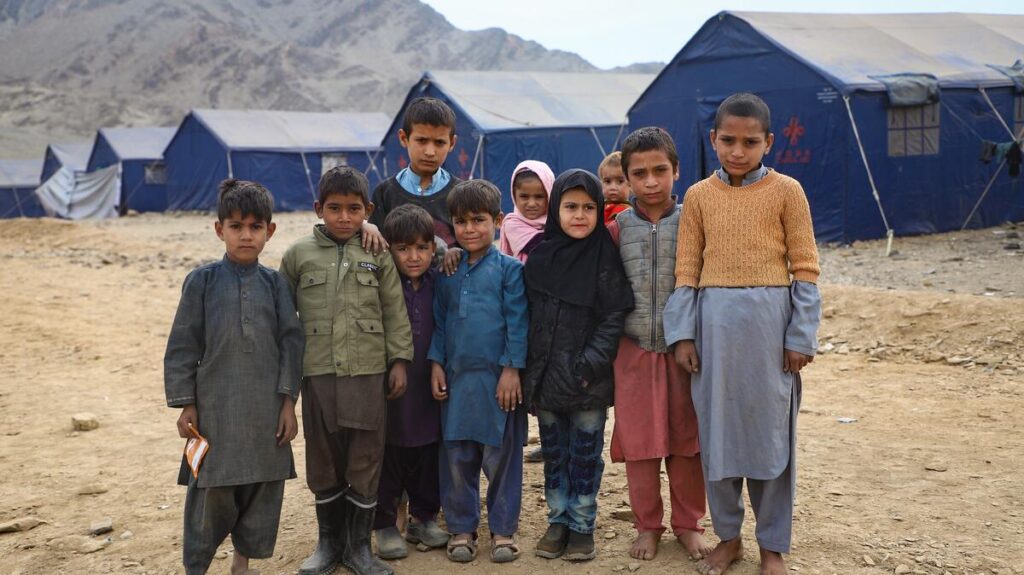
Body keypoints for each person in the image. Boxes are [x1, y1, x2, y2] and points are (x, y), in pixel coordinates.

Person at [665, 93, 821, 575]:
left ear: (768, 143)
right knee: (719, 437)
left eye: (749, 142)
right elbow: (687, 269)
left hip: (770, 332)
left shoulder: (788, 191)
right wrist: (683, 335)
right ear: (713, 139)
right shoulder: (697, 196)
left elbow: (806, 267)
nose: (738, 150)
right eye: (728, 140)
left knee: (773, 437)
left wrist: (800, 335)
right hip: (714, 332)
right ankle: (728, 538)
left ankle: (773, 545)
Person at [164, 179, 303, 575]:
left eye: (255, 227)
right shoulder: (202, 282)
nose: (246, 235)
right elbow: (182, 347)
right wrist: (186, 403)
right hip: (216, 410)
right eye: (237, 226)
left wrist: (287, 402)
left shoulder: (276, 285)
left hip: (265, 411)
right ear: (219, 229)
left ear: (270, 232)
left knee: (262, 488)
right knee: (210, 489)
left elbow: (292, 345)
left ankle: (242, 563)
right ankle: (198, 566)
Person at [280, 166, 414, 575]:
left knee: (366, 457)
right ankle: (328, 544)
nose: (344, 217)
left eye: (354, 209)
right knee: (323, 460)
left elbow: (394, 310)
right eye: (334, 208)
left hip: (368, 373)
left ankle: (359, 548)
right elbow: (285, 321)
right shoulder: (298, 255)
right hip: (318, 375)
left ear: (367, 210)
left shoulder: (378, 252)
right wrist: (286, 385)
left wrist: (399, 362)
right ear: (318, 208)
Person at [606, 127, 711, 562]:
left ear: (677, 171)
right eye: (640, 173)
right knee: (640, 445)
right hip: (632, 351)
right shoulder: (615, 229)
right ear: (626, 178)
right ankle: (647, 525)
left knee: (688, 442)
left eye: (660, 171)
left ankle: (689, 525)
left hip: (684, 350)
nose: (650, 181)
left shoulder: (694, 221)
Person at [522, 169, 634, 561]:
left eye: (589, 207)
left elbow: (614, 316)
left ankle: (582, 524)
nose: (580, 215)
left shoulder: (604, 258)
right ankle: (557, 520)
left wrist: (588, 364)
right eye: (570, 207)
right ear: (556, 210)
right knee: (555, 454)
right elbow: (528, 316)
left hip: (588, 382)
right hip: (547, 380)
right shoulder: (539, 256)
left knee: (585, 454)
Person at [428, 180, 529, 565]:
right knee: (456, 457)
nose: (469, 229)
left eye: (479, 220)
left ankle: (503, 529)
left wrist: (511, 369)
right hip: (456, 383)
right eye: (461, 222)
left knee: (502, 459)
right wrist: (436, 363)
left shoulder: (509, 271)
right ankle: (462, 528)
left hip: (498, 383)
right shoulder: (447, 271)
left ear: (498, 221)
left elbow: (518, 322)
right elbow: (439, 321)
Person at [372, 205, 450, 560]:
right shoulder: (381, 283)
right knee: (389, 454)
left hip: (428, 382)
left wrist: (455, 253)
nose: (413, 257)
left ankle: (423, 518)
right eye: (403, 248)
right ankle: (386, 524)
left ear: (433, 249)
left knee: (426, 451)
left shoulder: (439, 280)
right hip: (393, 383)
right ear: (388, 249)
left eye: (422, 248)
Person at [369, 97, 462, 248]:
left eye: (439, 142)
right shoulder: (385, 194)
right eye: (422, 140)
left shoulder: (461, 194)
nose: (430, 152)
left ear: (452, 143)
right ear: (404, 138)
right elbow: (377, 250)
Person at [498, 160, 556, 262]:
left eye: (539, 197)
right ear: (514, 196)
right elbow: (540, 247)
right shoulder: (512, 224)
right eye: (524, 196)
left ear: (549, 194)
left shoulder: (555, 219)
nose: (531, 204)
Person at [598, 151, 631, 223]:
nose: (613, 187)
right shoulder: (597, 208)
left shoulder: (628, 213)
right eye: (607, 181)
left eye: (620, 181)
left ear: (631, 184)